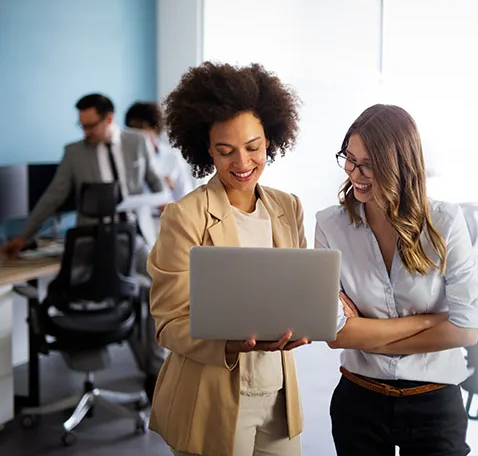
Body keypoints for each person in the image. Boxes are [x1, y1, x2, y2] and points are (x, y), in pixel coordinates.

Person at [147, 61, 309, 456]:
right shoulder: (185, 216)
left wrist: (306, 321)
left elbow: (299, 291)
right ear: (207, 150)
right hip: (211, 395)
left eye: (253, 147)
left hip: (278, 396)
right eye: (226, 151)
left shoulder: (288, 208)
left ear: (270, 140)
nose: (242, 163)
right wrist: (229, 344)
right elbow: (168, 322)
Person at [315, 104, 478, 456]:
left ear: (399, 165)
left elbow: (466, 330)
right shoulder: (330, 226)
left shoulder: (446, 223)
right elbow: (335, 333)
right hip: (358, 403)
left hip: (433, 403)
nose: (354, 173)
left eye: (369, 164)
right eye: (349, 158)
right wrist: (427, 322)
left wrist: (366, 333)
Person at [0, 93, 168, 394]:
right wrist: (23, 236)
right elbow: (53, 197)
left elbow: (157, 185)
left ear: (109, 119)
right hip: (92, 243)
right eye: (82, 126)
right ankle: (93, 352)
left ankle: (156, 370)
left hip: (132, 236)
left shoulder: (137, 143)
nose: (85, 132)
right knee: (86, 291)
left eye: (91, 125)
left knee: (160, 290)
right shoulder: (74, 153)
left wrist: (162, 202)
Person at [125, 101, 194, 201]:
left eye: (142, 128)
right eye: (133, 129)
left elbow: (186, 197)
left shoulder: (172, 157)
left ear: (155, 127)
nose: (138, 135)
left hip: (167, 214)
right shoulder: (125, 156)